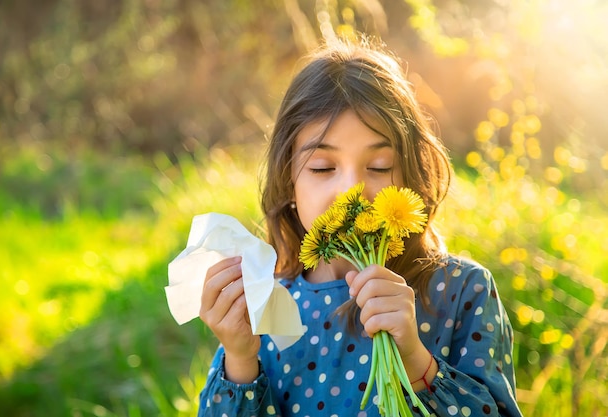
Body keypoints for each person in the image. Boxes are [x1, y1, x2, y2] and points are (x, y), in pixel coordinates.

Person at [197, 37, 523, 416]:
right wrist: (239, 358)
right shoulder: (265, 307)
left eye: (379, 166)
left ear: (408, 175)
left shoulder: (461, 290)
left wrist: (415, 359)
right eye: (322, 168)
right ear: (289, 181)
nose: (350, 191)